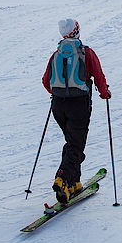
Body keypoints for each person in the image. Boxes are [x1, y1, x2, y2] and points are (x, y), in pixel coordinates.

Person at [42, 18, 111, 204]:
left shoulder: (56, 54)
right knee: (76, 145)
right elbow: (98, 75)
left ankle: (74, 184)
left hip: (58, 106)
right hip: (78, 106)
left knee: (72, 142)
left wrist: (60, 93)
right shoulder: (86, 52)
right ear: (77, 32)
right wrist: (104, 93)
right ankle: (62, 178)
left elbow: (46, 81)